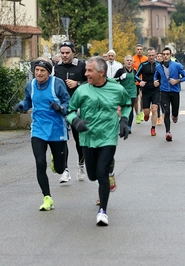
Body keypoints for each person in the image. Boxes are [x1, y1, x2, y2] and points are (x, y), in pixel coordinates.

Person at [67, 56, 131, 226]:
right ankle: (109, 168)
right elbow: (70, 110)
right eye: (86, 70)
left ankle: (102, 211)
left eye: (89, 70)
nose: (85, 73)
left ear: (101, 73)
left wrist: (124, 120)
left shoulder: (116, 89)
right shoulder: (82, 91)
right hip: (88, 138)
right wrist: (76, 121)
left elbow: (127, 104)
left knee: (101, 174)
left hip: (108, 137)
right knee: (92, 175)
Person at [13, 58, 70, 211]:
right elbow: (28, 101)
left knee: (60, 169)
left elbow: (68, 102)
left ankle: (56, 161)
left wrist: (60, 108)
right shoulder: (30, 85)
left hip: (57, 129)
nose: (38, 73)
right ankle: (47, 197)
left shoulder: (56, 84)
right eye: (36, 70)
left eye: (42, 71)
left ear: (49, 72)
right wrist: (22, 105)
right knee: (39, 163)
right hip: (38, 129)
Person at [53, 40, 87, 182]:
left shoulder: (81, 66)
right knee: (62, 140)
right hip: (61, 108)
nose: (64, 55)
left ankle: (81, 165)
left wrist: (77, 83)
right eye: (62, 53)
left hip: (77, 108)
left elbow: (90, 82)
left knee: (78, 139)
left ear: (74, 52)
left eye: (67, 53)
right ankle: (65, 171)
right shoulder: (57, 68)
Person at [154, 47, 185, 141]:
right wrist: (155, 81)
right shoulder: (158, 66)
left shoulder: (177, 65)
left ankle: (175, 115)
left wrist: (177, 80)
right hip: (164, 91)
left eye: (167, 54)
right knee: (166, 112)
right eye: (164, 54)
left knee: (175, 112)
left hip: (175, 92)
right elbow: (156, 75)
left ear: (170, 55)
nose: (165, 56)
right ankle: (168, 132)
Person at [135, 47, 160, 136]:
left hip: (156, 90)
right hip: (146, 90)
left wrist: (159, 82)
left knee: (154, 109)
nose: (151, 57)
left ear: (155, 55)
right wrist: (140, 81)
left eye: (153, 55)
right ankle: (146, 114)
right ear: (147, 55)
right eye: (149, 55)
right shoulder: (143, 64)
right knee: (147, 111)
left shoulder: (159, 65)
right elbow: (136, 75)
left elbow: (164, 76)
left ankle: (153, 128)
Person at [114, 55, 137, 133]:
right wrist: (120, 78)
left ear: (133, 62)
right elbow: (114, 80)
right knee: (123, 110)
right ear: (125, 62)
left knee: (130, 110)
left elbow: (138, 80)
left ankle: (129, 126)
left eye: (131, 60)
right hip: (123, 93)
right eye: (127, 60)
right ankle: (122, 124)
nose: (129, 62)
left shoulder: (134, 71)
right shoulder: (121, 70)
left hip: (132, 93)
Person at [132, 44, 148, 124]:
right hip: (135, 82)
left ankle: (141, 111)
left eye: (140, 49)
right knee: (135, 99)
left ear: (143, 50)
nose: (139, 50)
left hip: (143, 81)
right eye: (137, 49)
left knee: (142, 97)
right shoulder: (132, 59)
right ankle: (137, 114)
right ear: (135, 50)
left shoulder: (146, 59)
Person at [156, 52, 164, 125]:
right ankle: (158, 117)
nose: (159, 58)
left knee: (163, 102)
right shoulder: (155, 65)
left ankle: (164, 114)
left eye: (160, 56)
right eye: (158, 56)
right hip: (156, 86)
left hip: (164, 85)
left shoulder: (165, 65)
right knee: (157, 102)